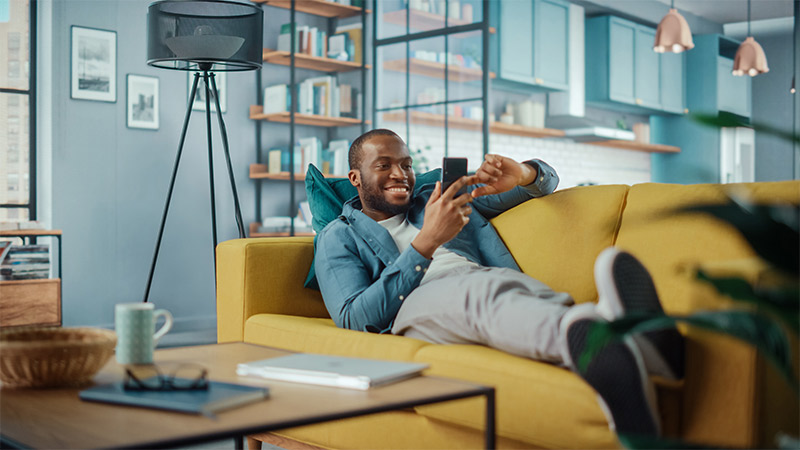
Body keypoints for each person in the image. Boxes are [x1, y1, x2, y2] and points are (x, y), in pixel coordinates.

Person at [314, 129, 684, 437]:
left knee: (519, 293)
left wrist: (522, 174)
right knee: (481, 297)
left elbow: (545, 183)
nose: (401, 174)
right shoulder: (339, 236)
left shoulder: (439, 197)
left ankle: (627, 341)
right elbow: (354, 317)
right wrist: (425, 244)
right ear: (355, 178)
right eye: (384, 165)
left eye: (407, 165)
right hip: (416, 301)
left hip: (488, 279)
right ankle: (588, 340)